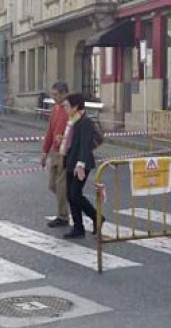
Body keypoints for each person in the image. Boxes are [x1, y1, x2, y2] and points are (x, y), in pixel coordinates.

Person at [61, 93, 104, 239]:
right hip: (70, 161)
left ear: (75, 107)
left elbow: (85, 145)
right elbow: (72, 142)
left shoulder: (85, 122)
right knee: (71, 195)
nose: (64, 108)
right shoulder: (73, 120)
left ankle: (97, 218)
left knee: (75, 195)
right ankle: (78, 227)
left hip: (81, 162)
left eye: (67, 105)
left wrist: (80, 165)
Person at [40, 82, 71, 228]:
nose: (54, 97)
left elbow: (74, 130)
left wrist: (64, 140)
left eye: (56, 94)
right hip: (54, 151)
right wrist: (44, 152)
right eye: (52, 94)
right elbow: (50, 131)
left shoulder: (70, 109)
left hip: (65, 151)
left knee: (61, 185)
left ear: (64, 93)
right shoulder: (55, 110)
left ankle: (63, 216)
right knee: (52, 185)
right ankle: (67, 206)